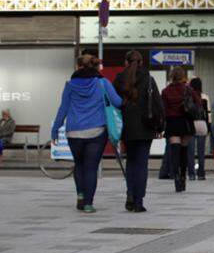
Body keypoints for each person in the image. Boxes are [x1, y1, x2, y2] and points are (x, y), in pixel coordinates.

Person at [51, 54, 122, 213]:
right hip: (96, 131)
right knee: (91, 168)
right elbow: (117, 102)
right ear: (95, 66)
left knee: (79, 164)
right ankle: (88, 204)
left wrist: (55, 130)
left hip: (73, 132)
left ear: (78, 67)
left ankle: (80, 196)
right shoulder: (102, 83)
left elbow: (63, 109)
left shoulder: (69, 85)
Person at [115, 51, 162, 212]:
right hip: (145, 127)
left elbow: (114, 103)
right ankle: (139, 201)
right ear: (142, 62)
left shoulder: (120, 79)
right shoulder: (149, 79)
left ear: (126, 63)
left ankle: (130, 193)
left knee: (131, 162)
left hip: (126, 127)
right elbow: (157, 104)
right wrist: (160, 127)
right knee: (142, 164)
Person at [160, 66, 196, 192]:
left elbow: (163, 109)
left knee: (174, 152)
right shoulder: (188, 90)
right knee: (184, 151)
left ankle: (175, 176)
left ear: (171, 76)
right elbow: (198, 104)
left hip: (172, 122)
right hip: (186, 122)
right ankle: (183, 177)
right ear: (182, 76)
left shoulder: (165, 91)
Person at [187, 78, 210, 181]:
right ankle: (201, 174)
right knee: (201, 152)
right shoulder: (205, 97)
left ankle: (191, 174)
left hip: (192, 124)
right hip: (202, 124)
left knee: (190, 152)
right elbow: (208, 114)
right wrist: (208, 127)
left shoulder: (189, 96)